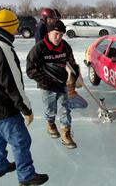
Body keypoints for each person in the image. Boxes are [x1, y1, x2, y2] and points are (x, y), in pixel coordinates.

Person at [0, 9, 48, 186]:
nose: (17, 29)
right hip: (3, 107)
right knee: (21, 141)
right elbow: (13, 83)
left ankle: (0, 166)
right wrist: (26, 108)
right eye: (15, 26)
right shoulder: (2, 47)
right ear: (10, 27)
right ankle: (26, 176)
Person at [27, 20, 80, 149]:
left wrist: (74, 79)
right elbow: (30, 70)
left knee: (65, 109)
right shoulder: (39, 48)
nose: (58, 37)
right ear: (49, 32)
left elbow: (72, 63)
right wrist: (47, 82)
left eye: (61, 35)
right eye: (56, 34)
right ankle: (50, 124)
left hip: (62, 84)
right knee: (50, 110)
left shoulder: (65, 46)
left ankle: (66, 133)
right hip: (46, 86)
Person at [35, 8, 88, 109]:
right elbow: (41, 45)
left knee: (72, 70)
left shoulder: (47, 25)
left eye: (55, 18)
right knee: (65, 74)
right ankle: (69, 96)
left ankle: (70, 94)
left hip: (57, 53)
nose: (54, 20)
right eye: (52, 18)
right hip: (49, 59)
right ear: (45, 18)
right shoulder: (41, 28)